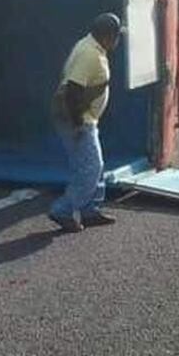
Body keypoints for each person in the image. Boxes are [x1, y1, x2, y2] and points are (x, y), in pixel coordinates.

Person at [47, 13, 122, 233]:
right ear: (109, 37)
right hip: (78, 118)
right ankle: (63, 209)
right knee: (91, 167)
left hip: (85, 117)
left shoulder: (90, 45)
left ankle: (90, 209)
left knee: (91, 165)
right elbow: (73, 90)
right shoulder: (90, 54)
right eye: (117, 36)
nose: (118, 41)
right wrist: (78, 123)